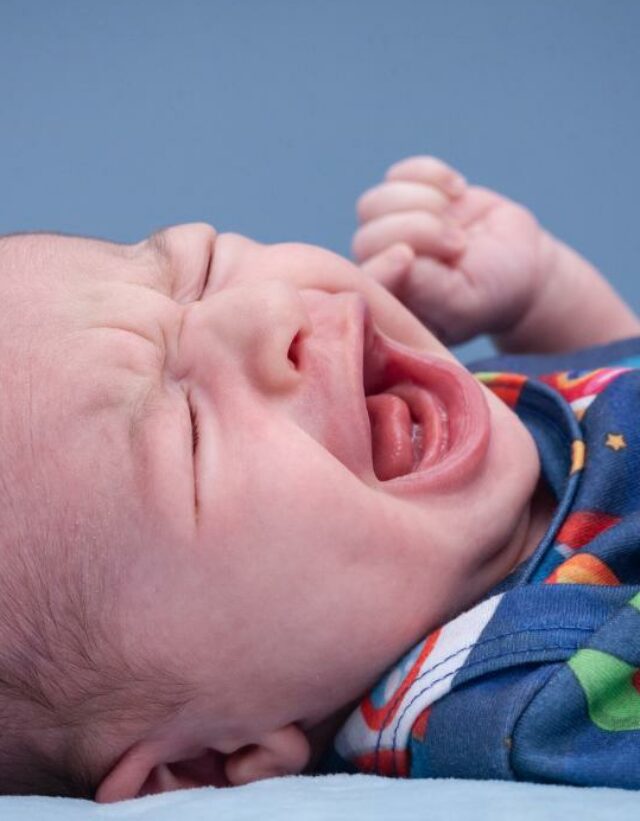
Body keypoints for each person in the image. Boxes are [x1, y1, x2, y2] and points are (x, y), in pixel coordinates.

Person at [0, 157, 637, 802]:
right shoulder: (534, 708)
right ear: (205, 766)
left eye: (200, 272)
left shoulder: (452, 434)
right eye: (190, 434)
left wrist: (553, 304)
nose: (268, 310)